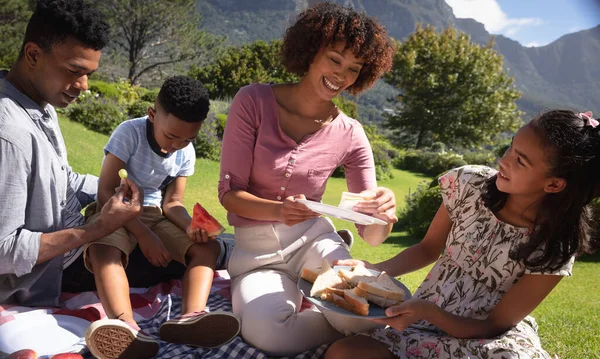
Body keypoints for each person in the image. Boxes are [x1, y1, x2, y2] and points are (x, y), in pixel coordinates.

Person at [325, 110, 600, 359]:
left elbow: (494, 325)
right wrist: (374, 270)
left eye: (520, 161)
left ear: (553, 184)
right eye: (511, 147)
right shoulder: (468, 185)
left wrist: (431, 313)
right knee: (344, 353)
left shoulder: (557, 246)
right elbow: (427, 249)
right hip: (423, 319)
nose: (503, 160)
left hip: (487, 337)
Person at [218, 2, 396, 356]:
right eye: (335, 59)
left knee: (364, 318)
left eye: (353, 69)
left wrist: (383, 214)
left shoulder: (351, 133)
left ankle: (352, 325)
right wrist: (278, 210)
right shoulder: (253, 100)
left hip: (314, 242)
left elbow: (372, 234)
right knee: (270, 335)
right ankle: (342, 329)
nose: (341, 75)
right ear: (311, 50)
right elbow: (229, 193)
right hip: (255, 256)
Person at [83, 76, 240, 359]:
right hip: (116, 208)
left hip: (155, 213)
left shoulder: (186, 153)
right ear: (152, 115)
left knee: (207, 248)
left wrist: (191, 228)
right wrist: (144, 234)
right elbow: (105, 191)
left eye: (188, 139)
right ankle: (124, 325)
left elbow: (173, 202)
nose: (176, 145)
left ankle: (190, 318)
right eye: (171, 136)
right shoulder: (128, 133)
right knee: (103, 248)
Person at [0, 0, 143, 307]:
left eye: (89, 73)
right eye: (74, 71)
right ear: (34, 55)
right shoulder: (9, 134)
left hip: (74, 247)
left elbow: (63, 179)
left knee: (212, 245)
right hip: (49, 273)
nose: (84, 85)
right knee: (199, 254)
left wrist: (113, 187)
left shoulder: (41, 105)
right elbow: (4, 251)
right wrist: (96, 229)